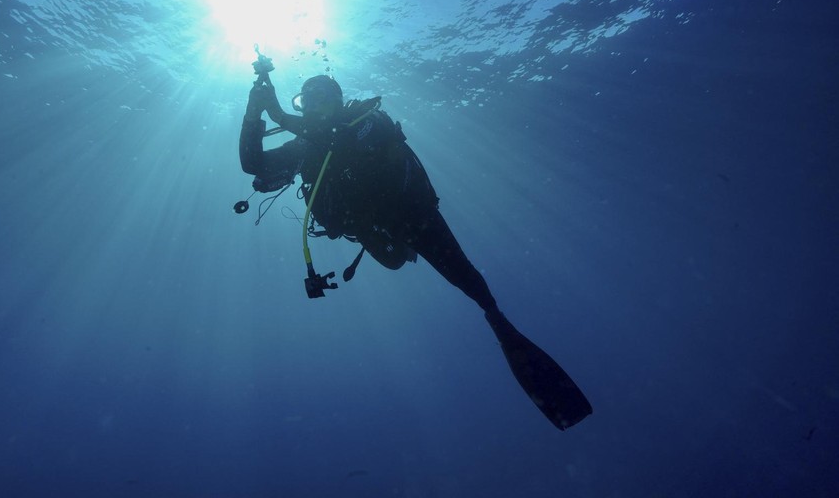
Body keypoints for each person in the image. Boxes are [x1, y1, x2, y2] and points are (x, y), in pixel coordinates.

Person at [239, 71, 592, 430]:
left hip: (413, 217)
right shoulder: (306, 146)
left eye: (321, 99)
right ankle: (477, 306)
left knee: (466, 278)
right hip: (373, 230)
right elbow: (254, 163)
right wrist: (253, 115)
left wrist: (280, 115)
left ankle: (500, 324)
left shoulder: (365, 120)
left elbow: (339, 141)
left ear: (339, 100)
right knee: (393, 260)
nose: (313, 108)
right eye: (307, 101)